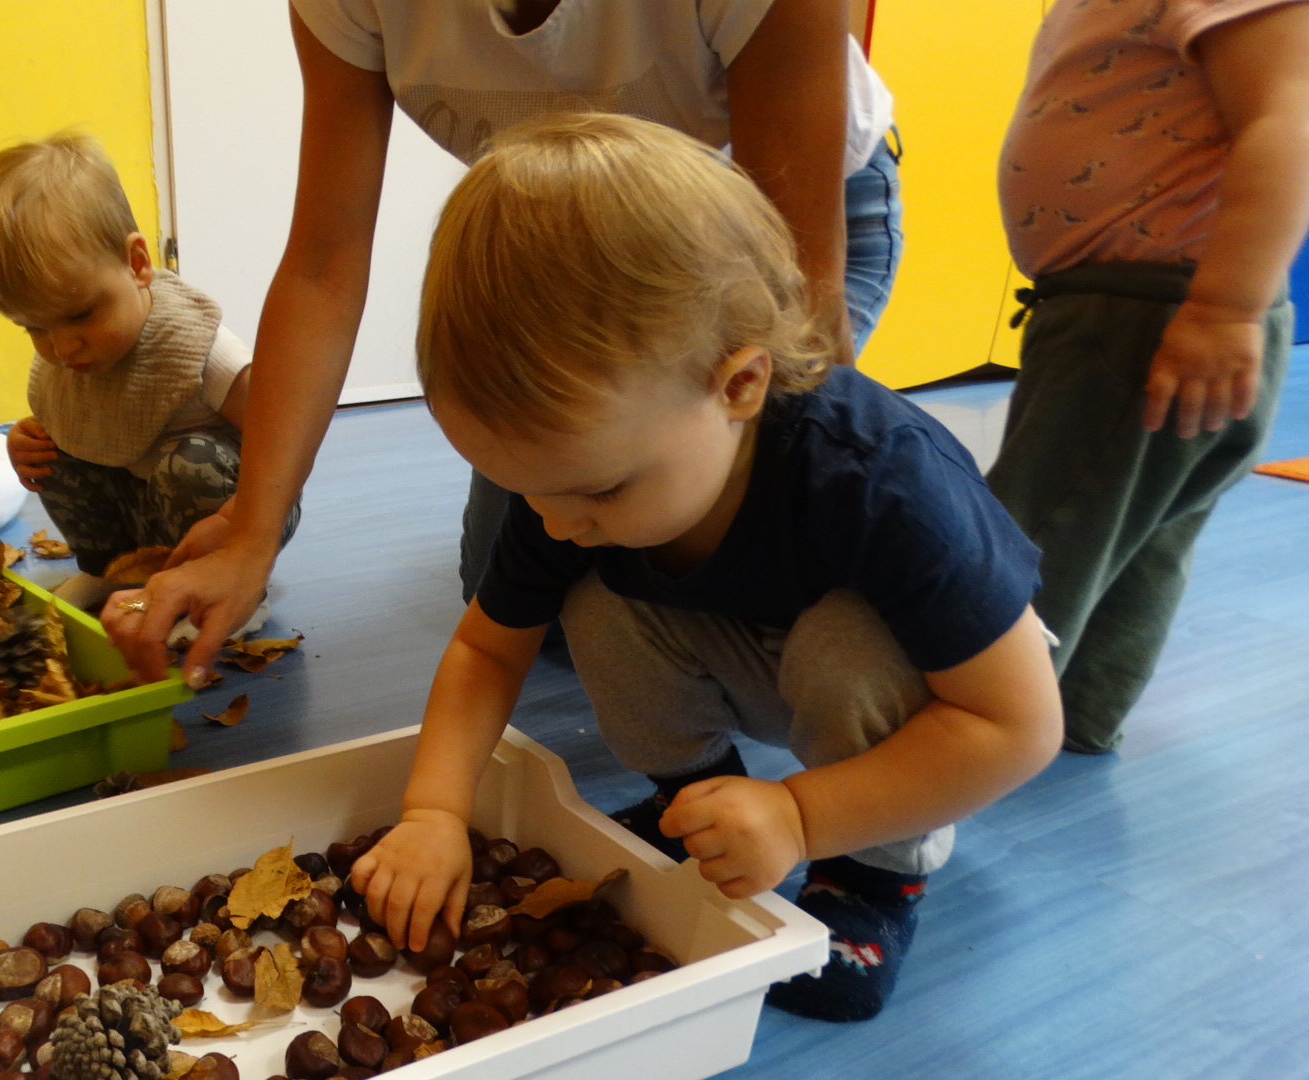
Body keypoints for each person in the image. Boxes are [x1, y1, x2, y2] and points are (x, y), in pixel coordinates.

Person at [343, 115, 1063, 1022]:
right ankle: (694, 802)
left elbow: (1019, 725)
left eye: (596, 490)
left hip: (936, 688)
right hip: (753, 648)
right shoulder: (573, 489)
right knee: (593, 601)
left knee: (845, 653)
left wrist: (802, 816)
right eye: (526, 490)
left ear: (740, 386)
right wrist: (434, 812)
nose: (554, 523)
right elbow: (488, 650)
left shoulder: (881, 483)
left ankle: (875, 873)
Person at [105, 0, 905, 686]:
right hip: (573, 245)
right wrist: (252, 531)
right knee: (539, 586)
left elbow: (798, 287)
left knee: (732, 558)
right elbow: (323, 264)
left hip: (762, 246)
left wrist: (815, 518)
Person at [986, 0, 1309, 753]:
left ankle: (962, 730)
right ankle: (1076, 710)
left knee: (1041, 527)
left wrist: (1224, 309)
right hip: (1149, 302)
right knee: (1137, 536)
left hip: (1155, 310)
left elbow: (1285, 123)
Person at [0, 133, 299, 622]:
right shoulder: (71, 353)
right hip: (147, 512)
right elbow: (80, 424)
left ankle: (232, 591)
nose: (62, 348)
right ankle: (113, 571)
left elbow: (283, 438)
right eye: (34, 327)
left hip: (243, 509)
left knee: (187, 461)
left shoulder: (198, 347)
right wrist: (26, 444)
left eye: (80, 315)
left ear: (137, 264)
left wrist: (243, 524)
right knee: (55, 446)